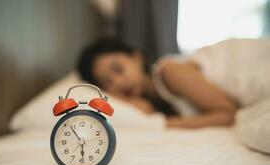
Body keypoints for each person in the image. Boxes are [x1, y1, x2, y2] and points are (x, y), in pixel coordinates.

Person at [76, 37, 270, 128]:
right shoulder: (156, 101)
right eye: (107, 83)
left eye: (118, 69)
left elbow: (229, 113)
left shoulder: (169, 72)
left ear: (137, 58)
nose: (117, 82)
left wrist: (164, 123)